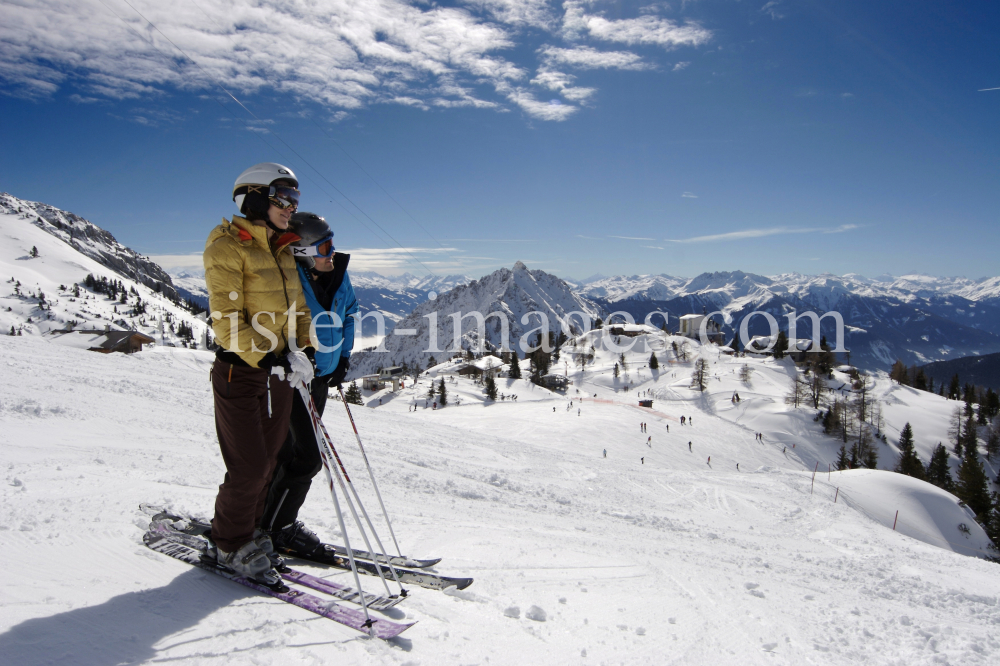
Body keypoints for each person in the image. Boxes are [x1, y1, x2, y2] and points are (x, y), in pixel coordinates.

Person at [204, 162, 315, 583]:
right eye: (283, 198)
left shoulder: (282, 248)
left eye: (295, 199)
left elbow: (298, 310)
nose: (292, 207)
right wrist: (269, 357)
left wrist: (304, 348)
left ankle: (248, 531)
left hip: (279, 373)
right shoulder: (227, 245)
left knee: (269, 460)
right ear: (253, 198)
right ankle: (227, 544)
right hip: (241, 372)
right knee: (248, 466)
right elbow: (226, 320)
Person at [261, 212, 358, 559]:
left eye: (333, 242)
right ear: (302, 252)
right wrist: (297, 354)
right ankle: (277, 527)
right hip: (295, 380)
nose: (332, 252)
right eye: (324, 246)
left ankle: (267, 521)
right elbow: (273, 323)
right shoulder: (289, 280)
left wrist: (342, 359)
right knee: (308, 458)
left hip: (321, 382)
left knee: (291, 453)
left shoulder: (338, 276)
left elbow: (349, 314)